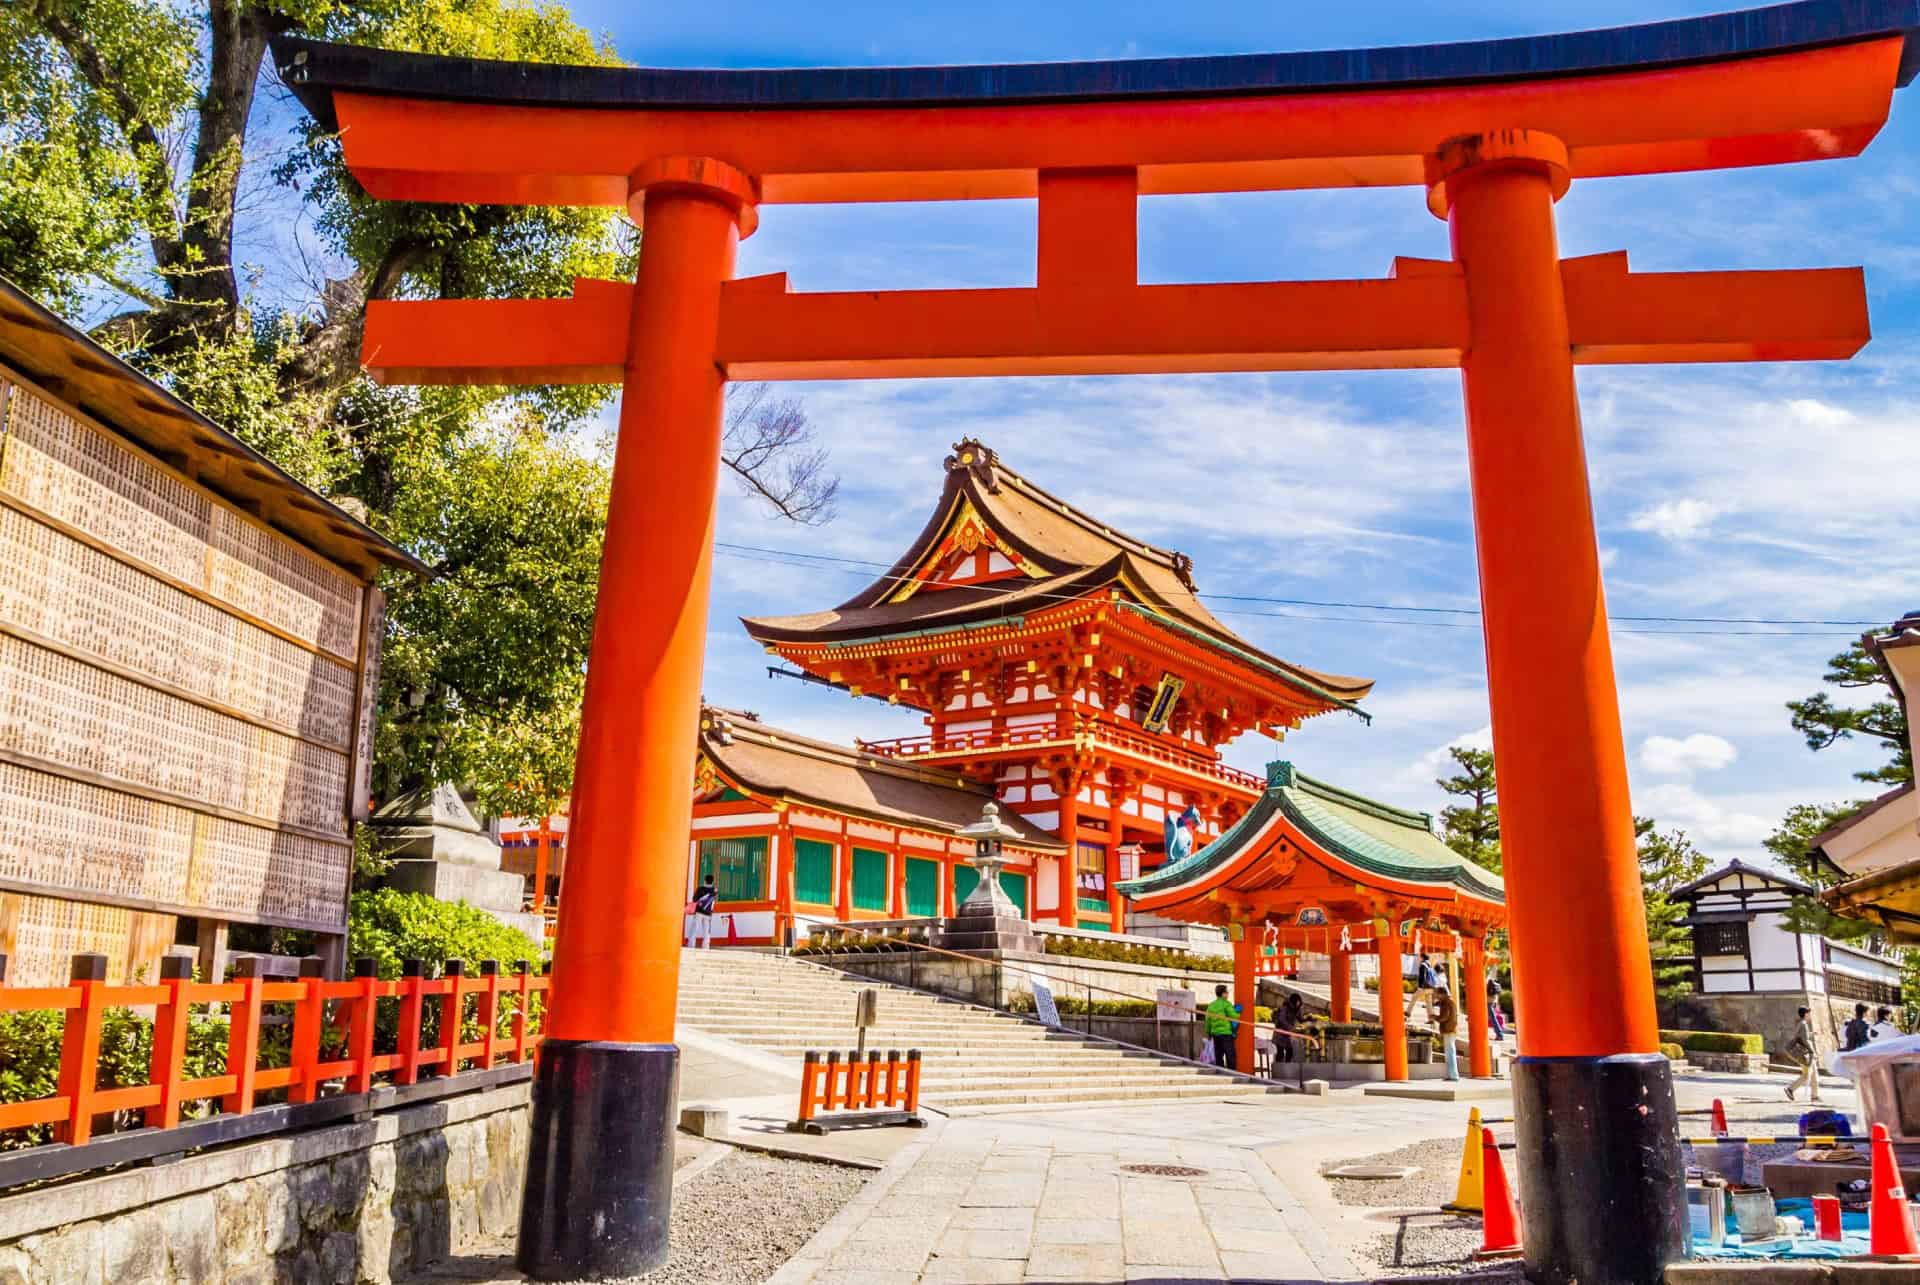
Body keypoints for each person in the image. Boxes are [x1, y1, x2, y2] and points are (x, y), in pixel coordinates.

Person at [1785, 1006, 1821, 1102]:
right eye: (1809, 1013)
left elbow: (1802, 1036)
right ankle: (1814, 1096)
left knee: (1807, 1075)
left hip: (1801, 1053)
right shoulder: (1804, 1024)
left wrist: (1811, 1033)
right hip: (1806, 1053)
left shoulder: (1800, 1023)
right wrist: (1812, 1051)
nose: (1810, 1015)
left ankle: (1791, 1089)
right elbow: (1805, 1040)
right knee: (1812, 1075)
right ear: (1805, 1014)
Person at [1205, 983, 1237, 1070]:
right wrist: (1238, 1011)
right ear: (1223, 994)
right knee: (1230, 1054)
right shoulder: (1226, 1004)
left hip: (1215, 1033)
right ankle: (1232, 1073)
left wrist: (1208, 1032)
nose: (1228, 994)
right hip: (1226, 1033)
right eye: (1227, 992)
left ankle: (1220, 1071)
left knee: (1218, 1055)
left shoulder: (1211, 1005)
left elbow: (1208, 1020)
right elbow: (1234, 1016)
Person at [1406, 953, 1440, 1025]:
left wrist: (1420, 987)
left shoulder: (1423, 965)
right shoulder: (1429, 965)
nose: (1419, 958)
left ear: (1422, 957)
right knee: (1429, 1004)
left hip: (1424, 987)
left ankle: (1407, 1013)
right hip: (1431, 987)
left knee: (1414, 998)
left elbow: (1422, 977)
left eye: (1419, 957)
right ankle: (1431, 1019)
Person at [688, 874, 718, 949]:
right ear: (712, 881)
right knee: (706, 930)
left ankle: (691, 945)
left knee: (694, 929)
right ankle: (706, 946)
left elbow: (694, 899)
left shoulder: (700, 889)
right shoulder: (714, 890)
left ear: (705, 881)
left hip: (699, 912)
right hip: (708, 913)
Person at [1486, 974, 1507, 1039]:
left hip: (1489, 1002)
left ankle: (1499, 1034)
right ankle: (1499, 1034)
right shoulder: (1491, 980)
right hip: (1493, 1001)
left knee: (1493, 1019)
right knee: (1492, 1018)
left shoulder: (1486, 980)